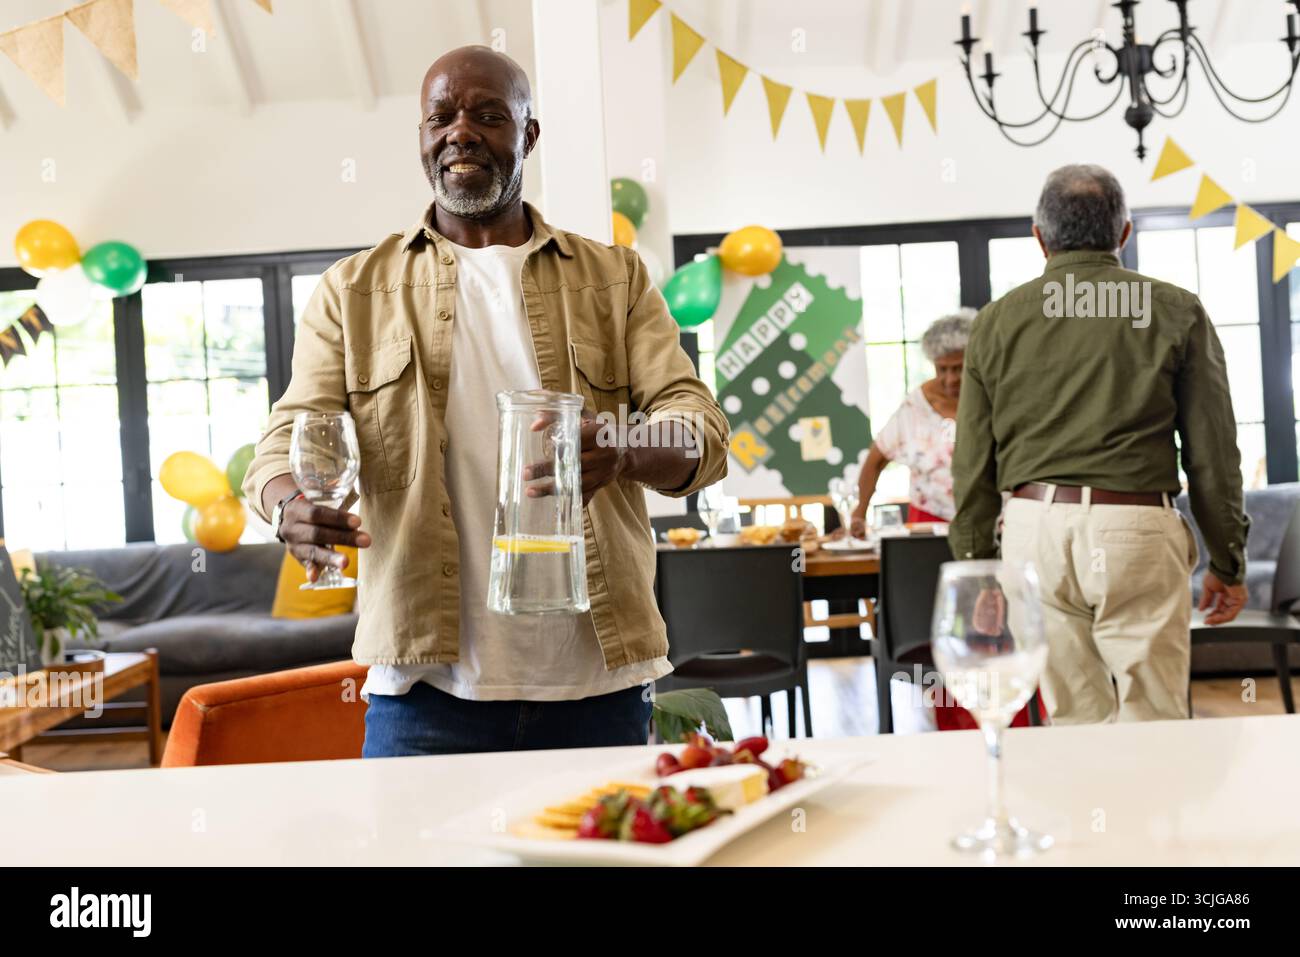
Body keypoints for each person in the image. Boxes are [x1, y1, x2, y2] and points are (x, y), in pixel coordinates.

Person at [243, 46, 728, 756]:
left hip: (598, 685)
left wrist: (623, 450)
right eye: (440, 117)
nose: (459, 132)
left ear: (528, 135)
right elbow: (284, 442)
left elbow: (701, 430)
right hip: (423, 693)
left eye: (488, 115)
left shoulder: (615, 278)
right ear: (422, 138)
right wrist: (290, 506)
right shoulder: (353, 290)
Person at [950, 163, 1250, 725]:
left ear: (1040, 237)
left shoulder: (994, 323)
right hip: (1133, 529)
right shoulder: (1177, 310)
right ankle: (1152, 813)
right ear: (1123, 233)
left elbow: (971, 463)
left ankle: (1086, 814)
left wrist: (977, 566)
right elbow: (1213, 455)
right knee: (1154, 714)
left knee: (1072, 718)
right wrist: (1228, 561)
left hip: (1032, 530)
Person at [848, 311, 972, 538]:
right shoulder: (917, 405)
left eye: (958, 368)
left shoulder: (991, 396)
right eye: (942, 368)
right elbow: (876, 459)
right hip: (929, 518)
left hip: (985, 518)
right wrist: (859, 513)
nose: (950, 379)